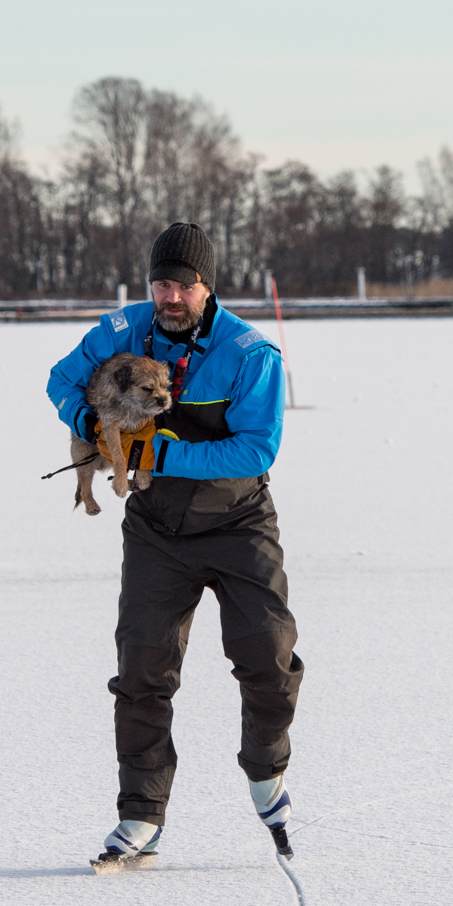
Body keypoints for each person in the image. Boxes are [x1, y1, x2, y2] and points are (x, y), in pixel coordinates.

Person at [46, 221, 302, 869]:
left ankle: (266, 768)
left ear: (205, 285)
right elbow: (59, 378)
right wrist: (88, 424)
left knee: (268, 653)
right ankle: (139, 816)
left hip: (239, 519)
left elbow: (257, 446)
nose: (170, 295)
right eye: (161, 282)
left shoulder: (250, 353)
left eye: (183, 284)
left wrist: (162, 448)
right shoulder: (122, 330)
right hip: (158, 530)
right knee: (141, 670)